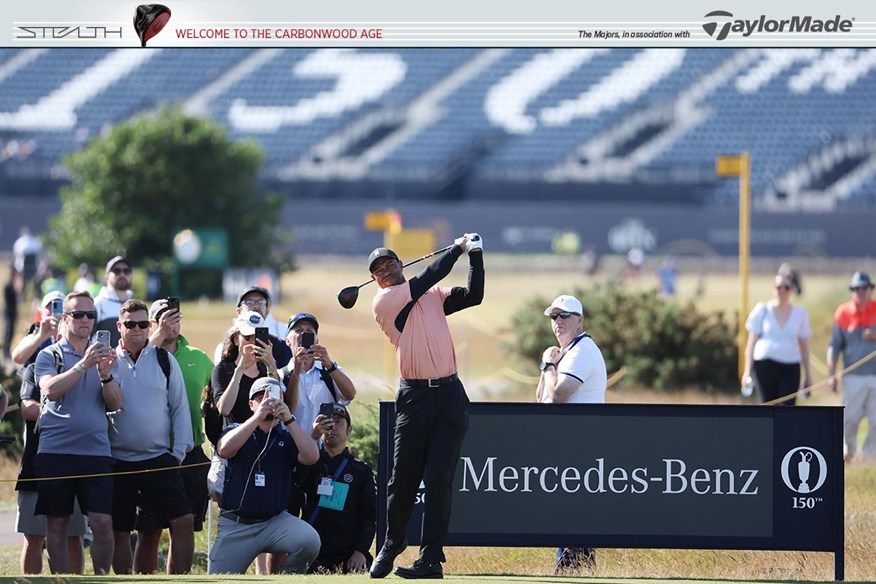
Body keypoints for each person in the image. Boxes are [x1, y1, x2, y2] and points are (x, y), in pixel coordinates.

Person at [367, 233, 484, 580]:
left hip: (449, 396)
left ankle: (431, 559)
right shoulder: (385, 302)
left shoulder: (430, 297)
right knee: (402, 480)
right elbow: (430, 276)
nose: (385, 272)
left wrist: (475, 256)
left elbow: (474, 296)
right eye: (379, 271)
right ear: (375, 280)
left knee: (438, 480)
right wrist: (457, 248)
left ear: (400, 265)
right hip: (414, 399)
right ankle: (392, 541)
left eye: (390, 265)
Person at [33, 291, 122, 574]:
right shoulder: (51, 354)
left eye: (90, 315)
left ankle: (100, 579)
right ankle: (60, 580)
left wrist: (105, 375)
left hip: (95, 450)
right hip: (55, 451)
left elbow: (116, 403)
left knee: (102, 523)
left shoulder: (105, 355)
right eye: (78, 314)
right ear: (65, 318)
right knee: (57, 525)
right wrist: (84, 365)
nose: (85, 320)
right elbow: (49, 389)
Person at [107, 299, 194, 574]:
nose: (137, 329)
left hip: (159, 458)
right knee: (120, 530)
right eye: (130, 324)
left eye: (143, 324)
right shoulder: (107, 361)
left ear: (150, 326)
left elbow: (180, 408)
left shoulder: (164, 360)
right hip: (117, 460)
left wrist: (178, 452)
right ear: (119, 326)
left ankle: (181, 581)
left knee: (183, 520)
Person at [132, 298, 213, 574]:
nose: (171, 324)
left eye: (175, 318)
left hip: (190, 452)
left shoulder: (198, 356)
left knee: (184, 522)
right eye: (163, 318)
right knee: (150, 529)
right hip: (154, 451)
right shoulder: (144, 353)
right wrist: (157, 335)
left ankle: (178, 578)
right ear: (152, 323)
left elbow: (216, 396)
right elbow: (137, 366)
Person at [208, 376, 321, 574]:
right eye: (262, 398)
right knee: (220, 577)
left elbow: (312, 457)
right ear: (251, 404)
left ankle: (286, 578)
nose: (269, 402)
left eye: (275, 398)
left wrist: (289, 419)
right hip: (237, 525)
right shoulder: (236, 429)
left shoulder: (287, 436)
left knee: (310, 540)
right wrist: (257, 418)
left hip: (274, 522)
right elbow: (224, 450)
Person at [537, 294, 607, 573]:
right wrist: (547, 366)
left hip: (579, 445)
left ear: (580, 320)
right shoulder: (565, 353)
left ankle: (570, 570)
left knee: (573, 516)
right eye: (554, 317)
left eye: (565, 316)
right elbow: (540, 398)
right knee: (567, 516)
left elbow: (557, 395)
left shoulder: (582, 351)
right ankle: (576, 570)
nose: (558, 322)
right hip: (564, 445)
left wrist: (548, 365)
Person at [15, 319, 87, 574]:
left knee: (74, 535)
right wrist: (64, 413)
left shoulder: (87, 369)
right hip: (36, 462)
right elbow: (27, 408)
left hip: (75, 460)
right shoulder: (35, 366)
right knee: (34, 537)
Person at [297, 402, 377, 574]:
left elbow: (369, 514)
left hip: (349, 554)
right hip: (312, 551)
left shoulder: (361, 470)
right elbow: (297, 482)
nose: (333, 426)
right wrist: (312, 437)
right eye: (327, 421)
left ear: (349, 430)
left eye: (339, 421)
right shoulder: (310, 462)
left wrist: (360, 551)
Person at [742, 273, 813, 405]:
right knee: (767, 406)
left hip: (790, 365)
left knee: (787, 408)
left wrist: (808, 375)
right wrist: (747, 371)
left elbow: (804, 346)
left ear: (791, 290)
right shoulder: (762, 310)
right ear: (773, 289)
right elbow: (751, 343)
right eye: (778, 287)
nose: (782, 291)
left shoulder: (800, 313)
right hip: (765, 364)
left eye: (786, 287)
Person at [282, 312, 356, 436]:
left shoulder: (329, 371)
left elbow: (350, 394)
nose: (303, 335)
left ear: (316, 340)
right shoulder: (281, 375)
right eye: (298, 330)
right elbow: (289, 409)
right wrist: (297, 371)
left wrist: (330, 365)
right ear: (288, 341)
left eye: (309, 331)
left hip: (325, 447)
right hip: (293, 447)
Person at [828, 271, 876, 462]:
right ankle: (848, 452)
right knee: (851, 419)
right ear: (852, 291)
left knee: (875, 420)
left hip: (875, 376)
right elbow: (834, 345)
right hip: (853, 376)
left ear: (870, 289)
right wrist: (831, 374)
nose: (861, 292)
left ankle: (868, 457)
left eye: (865, 288)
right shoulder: (843, 312)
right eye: (857, 288)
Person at [213, 286, 291, 369]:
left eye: (260, 302)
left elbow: (286, 380)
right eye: (249, 302)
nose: (256, 306)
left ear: (267, 311)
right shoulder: (224, 348)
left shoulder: (281, 346)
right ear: (238, 312)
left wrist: (271, 364)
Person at [11, 290, 64, 367]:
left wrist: (62, 335)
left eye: (60, 307)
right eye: (49, 306)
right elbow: (17, 358)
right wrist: (41, 337)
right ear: (41, 312)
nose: (54, 311)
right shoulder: (35, 333)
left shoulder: (73, 335)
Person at [94, 256, 134, 348]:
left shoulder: (136, 305)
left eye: (126, 271)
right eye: (117, 271)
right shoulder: (97, 304)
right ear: (106, 277)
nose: (122, 274)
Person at [3, 267, 22, 362]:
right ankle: (5, 352)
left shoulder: (12, 286)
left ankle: (7, 351)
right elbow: (9, 302)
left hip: (12, 313)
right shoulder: (8, 286)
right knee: (8, 333)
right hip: (9, 313)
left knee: (11, 333)